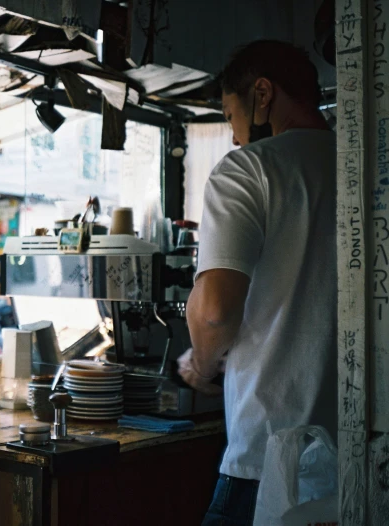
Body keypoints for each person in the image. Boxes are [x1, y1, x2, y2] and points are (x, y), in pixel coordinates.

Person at [176, 40, 337, 525]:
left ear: (262, 94)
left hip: (268, 459)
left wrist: (201, 364)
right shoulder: (366, 168)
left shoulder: (248, 169)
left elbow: (214, 312)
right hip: (359, 461)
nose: (235, 137)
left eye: (230, 116)